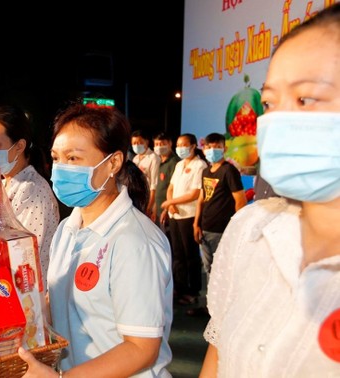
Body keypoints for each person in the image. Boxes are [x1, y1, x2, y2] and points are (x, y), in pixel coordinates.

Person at [200, 4, 340, 376]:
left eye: (305, 99)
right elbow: (217, 357)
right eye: (269, 103)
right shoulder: (251, 228)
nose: (276, 121)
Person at [19, 103, 173, 377]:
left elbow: (141, 348)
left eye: (73, 158)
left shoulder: (134, 241)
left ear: (113, 162)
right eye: (56, 158)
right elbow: (57, 305)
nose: (60, 169)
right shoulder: (67, 229)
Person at [0, 105, 59, 286]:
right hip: (6, 287)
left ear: (19, 146)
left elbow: (24, 256)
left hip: (26, 296)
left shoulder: (31, 190)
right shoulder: (3, 182)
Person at [188, 132, 246, 317]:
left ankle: (223, 310)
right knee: (209, 270)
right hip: (205, 229)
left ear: (224, 148)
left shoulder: (229, 171)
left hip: (223, 231)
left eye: (217, 147)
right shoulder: (206, 171)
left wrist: (236, 228)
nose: (212, 150)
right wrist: (196, 223)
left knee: (223, 271)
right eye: (209, 147)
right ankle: (211, 307)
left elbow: (240, 200)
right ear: (204, 149)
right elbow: (202, 199)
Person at [160, 133, 207, 306]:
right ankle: (179, 288)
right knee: (177, 254)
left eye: (184, 145)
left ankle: (193, 290)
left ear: (193, 146)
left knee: (190, 255)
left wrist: (171, 202)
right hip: (175, 214)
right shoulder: (179, 164)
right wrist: (170, 204)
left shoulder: (199, 165)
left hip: (189, 215)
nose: (180, 148)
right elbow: (170, 187)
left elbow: (195, 193)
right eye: (178, 145)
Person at [131, 130, 160, 220]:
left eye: (139, 142)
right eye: (134, 143)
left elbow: (154, 184)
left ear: (146, 142)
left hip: (149, 200)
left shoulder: (153, 158)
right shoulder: (135, 159)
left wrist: (149, 207)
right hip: (136, 198)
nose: (137, 145)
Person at [153, 132, 180, 227]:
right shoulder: (159, 162)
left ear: (170, 144)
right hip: (159, 209)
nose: (159, 147)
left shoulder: (174, 162)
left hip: (169, 210)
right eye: (156, 144)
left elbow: (174, 188)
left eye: (162, 144)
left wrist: (167, 208)